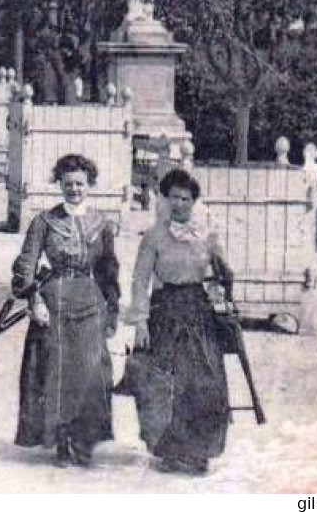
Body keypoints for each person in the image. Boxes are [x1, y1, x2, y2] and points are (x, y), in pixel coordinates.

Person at [123, 168, 235, 476]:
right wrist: (140, 322)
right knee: (165, 384)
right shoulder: (154, 237)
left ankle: (200, 451)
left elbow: (224, 276)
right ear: (165, 199)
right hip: (165, 313)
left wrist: (223, 280)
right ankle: (170, 451)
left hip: (199, 314)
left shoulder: (208, 237)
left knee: (204, 382)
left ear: (194, 201)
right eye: (174, 197)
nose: (179, 204)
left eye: (186, 198)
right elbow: (140, 280)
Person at [12, 153, 121, 467]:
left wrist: (111, 310)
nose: (75, 189)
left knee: (91, 372)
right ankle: (61, 441)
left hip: (90, 303)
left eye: (80, 184)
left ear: (90, 185)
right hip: (54, 301)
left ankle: (84, 440)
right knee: (56, 373)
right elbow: (25, 265)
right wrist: (34, 301)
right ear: (59, 184)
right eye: (68, 184)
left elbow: (108, 270)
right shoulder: (44, 221)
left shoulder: (102, 224)